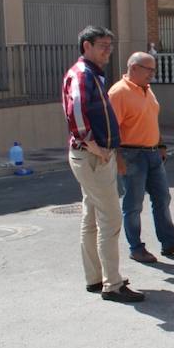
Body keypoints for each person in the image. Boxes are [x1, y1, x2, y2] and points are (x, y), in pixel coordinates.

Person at [63, 25, 144, 302]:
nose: (108, 49)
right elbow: (76, 109)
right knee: (110, 219)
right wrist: (93, 144)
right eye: (102, 45)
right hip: (93, 158)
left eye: (110, 44)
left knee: (92, 216)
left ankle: (95, 278)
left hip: (91, 157)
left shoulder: (90, 73)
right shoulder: (83, 74)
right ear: (86, 46)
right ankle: (113, 285)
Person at [108, 52, 174, 263]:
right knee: (134, 204)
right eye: (149, 70)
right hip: (131, 154)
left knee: (162, 198)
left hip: (153, 152)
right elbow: (112, 129)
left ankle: (169, 243)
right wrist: (118, 158)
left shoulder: (147, 89)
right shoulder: (118, 93)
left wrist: (161, 144)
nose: (153, 74)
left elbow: (151, 120)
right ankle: (136, 247)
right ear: (134, 68)